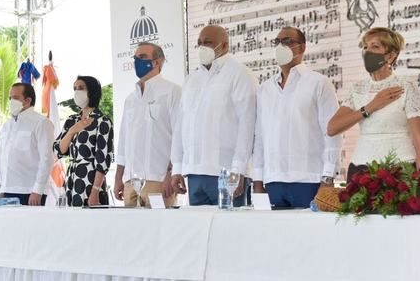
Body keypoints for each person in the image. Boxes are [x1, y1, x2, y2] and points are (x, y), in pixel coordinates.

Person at [252, 27, 341, 208]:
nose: (281, 47)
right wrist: (258, 179)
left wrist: (328, 177)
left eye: (287, 42)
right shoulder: (265, 89)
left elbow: (332, 133)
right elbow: (260, 137)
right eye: (277, 42)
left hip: (309, 178)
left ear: (302, 48)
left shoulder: (318, 83)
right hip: (273, 181)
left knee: (310, 235)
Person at [171, 25, 257, 206]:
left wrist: (238, 169)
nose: (203, 47)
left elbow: (247, 125)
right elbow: (181, 126)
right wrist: (177, 168)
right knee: (198, 233)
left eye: (208, 43)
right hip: (194, 173)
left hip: (226, 173)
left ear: (225, 46)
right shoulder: (191, 80)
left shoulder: (240, 74)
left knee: (230, 232)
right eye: (199, 43)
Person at [327, 27, 420, 180]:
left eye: (375, 46)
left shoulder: (406, 87)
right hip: (360, 171)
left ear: (390, 56)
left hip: (400, 171)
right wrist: (371, 106)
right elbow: (332, 128)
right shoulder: (358, 89)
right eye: (365, 47)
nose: (368, 52)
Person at [114, 43, 181, 207]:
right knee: (131, 232)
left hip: (158, 180)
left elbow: (179, 137)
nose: (137, 61)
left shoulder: (172, 92)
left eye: (142, 57)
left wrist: (170, 174)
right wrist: (118, 179)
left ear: (157, 62)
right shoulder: (130, 99)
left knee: (159, 231)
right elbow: (123, 142)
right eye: (136, 58)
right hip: (130, 183)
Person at [54, 76, 114, 207]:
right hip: (71, 180)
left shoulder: (102, 121)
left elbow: (102, 161)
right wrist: (72, 131)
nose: (77, 91)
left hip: (91, 181)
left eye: (81, 88)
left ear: (92, 91)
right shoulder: (71, 120)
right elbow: (59, 150)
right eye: (75, 88)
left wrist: (95, 191)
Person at [0, 83, 54, 206]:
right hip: (7, 190)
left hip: (30, 191)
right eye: (10, 98)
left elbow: (47, 159)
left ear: (28, 100)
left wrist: (38, 190)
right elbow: (1, 157)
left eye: (16, 98)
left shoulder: (41, 123)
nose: (11, 101)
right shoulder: (7, 125)